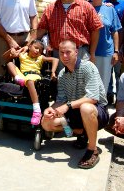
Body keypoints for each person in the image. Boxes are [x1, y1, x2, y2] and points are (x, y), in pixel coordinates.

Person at [41, 40, 109, 169]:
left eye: (68, 52)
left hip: (97, 111)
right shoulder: (62, 74)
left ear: (76, 52)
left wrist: (67, 106)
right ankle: (81, 132)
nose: (65, 56)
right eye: (62, 53)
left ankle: (92, 150)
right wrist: (50, 109)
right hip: (75, 111)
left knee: (86, 108)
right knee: (46, 123)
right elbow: (61, 100)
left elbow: (93, 98)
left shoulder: (88, 67)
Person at [37, 0, 103, 71]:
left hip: (80, 53)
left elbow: (95, 29)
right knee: (62, 84)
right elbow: (41, 30)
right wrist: (28, 45)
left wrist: (92, 53)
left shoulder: (86, 6)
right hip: (59, 55)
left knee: (81, 83)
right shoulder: (50, 8)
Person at [7, 40, 59, 126]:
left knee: (30, 81)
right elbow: (6, 57)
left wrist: (53, 72)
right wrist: (14, 51)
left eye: (40, 50)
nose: (38, 51)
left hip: (34, 76)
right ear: (29, 46)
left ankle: (37, 110)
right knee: (9, 63)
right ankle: (17, 78)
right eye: (36, 48)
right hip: (22, 76)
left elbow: (55, 59)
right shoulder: (22, 55)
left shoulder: (40, 58)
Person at [90, 0, 122, 94]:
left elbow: (115, 31)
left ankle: (102, 108)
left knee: (103, 83)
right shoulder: (86, 8)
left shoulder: (110, 9)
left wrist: (116, 51)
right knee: (90, 84)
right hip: (88, 53)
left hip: (105, 52)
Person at [104, 0, 124, 104]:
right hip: (108, 45)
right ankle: (109, 95)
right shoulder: (104, 4)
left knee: (120, 73)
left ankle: (120, 98)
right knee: (108, 72)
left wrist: (120, 48)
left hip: (121, 44)